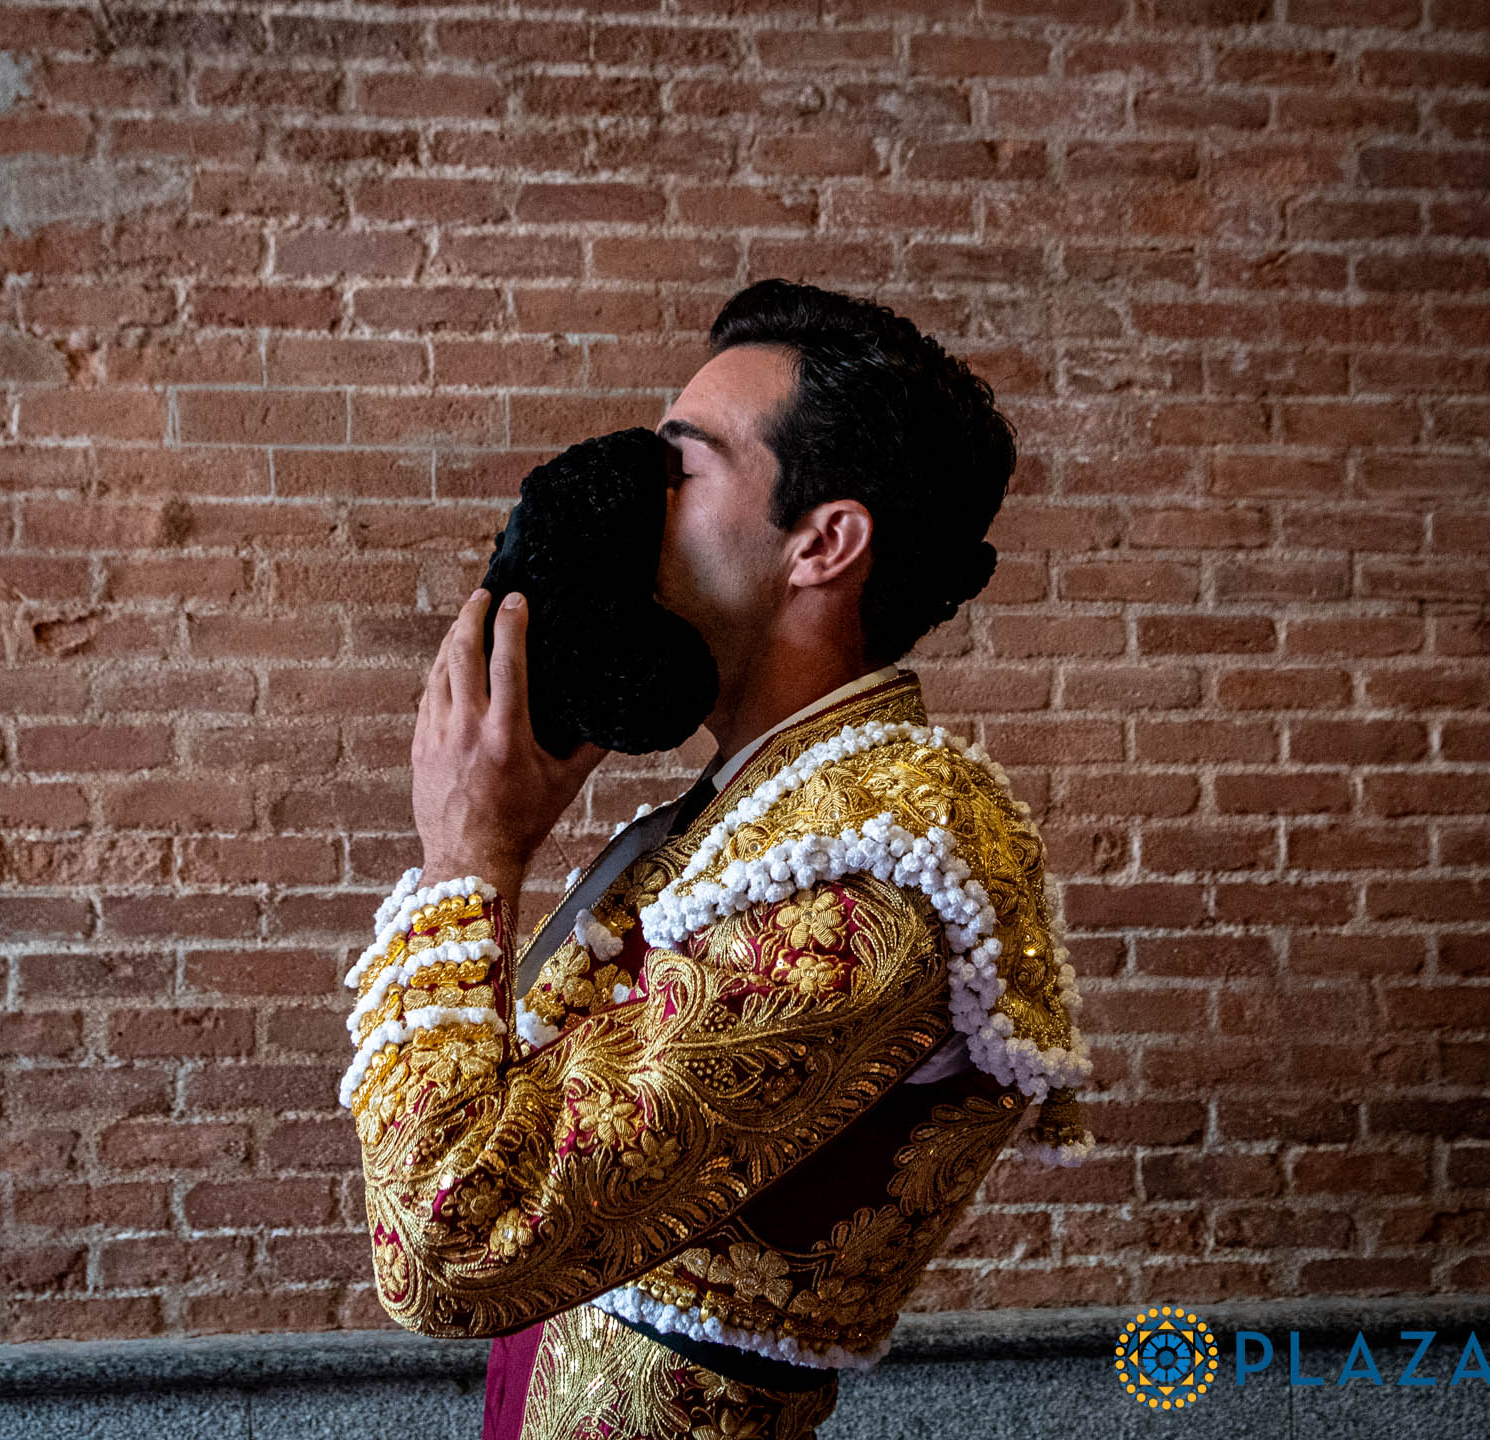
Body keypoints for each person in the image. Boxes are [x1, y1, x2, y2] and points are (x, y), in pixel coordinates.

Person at [338, 279, 1093, 1440]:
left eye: (682, 464)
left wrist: (469, 860)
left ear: (823, 544)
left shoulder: (877, 866)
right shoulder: (753, 818)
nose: (637, 496)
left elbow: (452, 1251)